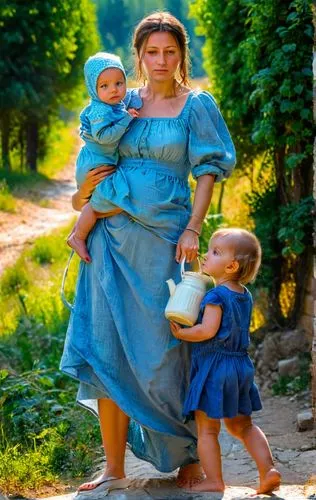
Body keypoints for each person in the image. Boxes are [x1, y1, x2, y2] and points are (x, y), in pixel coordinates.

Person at [60, 11, 236, 492]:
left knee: (166, 353)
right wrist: (82, 200)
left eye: (170, 51)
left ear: (181, 54)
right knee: (106, 349)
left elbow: (206, 172)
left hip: (165, 240)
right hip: (109, 243)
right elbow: (90, 164)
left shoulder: (195, 105)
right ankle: (113, 469)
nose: (160, 61)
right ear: (138, 56)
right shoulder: (117, 102)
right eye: (151, 52)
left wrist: (194, 229)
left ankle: (185, 460)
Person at [170, 228, 281, 494]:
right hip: (240, 366)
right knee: (243, 425)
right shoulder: (244, 294)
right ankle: (269, 470)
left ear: (231, 266)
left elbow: (207, 330)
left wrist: (183, 332)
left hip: (216, 368)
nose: (206, 255)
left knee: (207, 428)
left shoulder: (215, 296)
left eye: (215, 252)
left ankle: (214, 480)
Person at [67, 52, 140, 263]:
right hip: (95, 164)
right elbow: (105, 138)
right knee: (101, 201)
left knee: (107, 200)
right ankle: (78, 236)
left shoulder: (113, 104)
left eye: (119, 83)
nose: (114, 90)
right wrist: (126, 119)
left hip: (100, 161)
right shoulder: (100, 110)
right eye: (104, 86)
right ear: (93, 88)